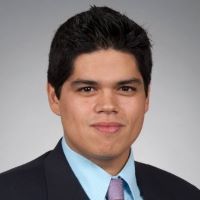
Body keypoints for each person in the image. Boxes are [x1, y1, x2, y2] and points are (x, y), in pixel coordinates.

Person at [0, 5, 199, 200]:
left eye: (125, 89)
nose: (108, 106)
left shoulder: (186, 194)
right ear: (54, 98)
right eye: (87, 89)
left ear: (146, 98)